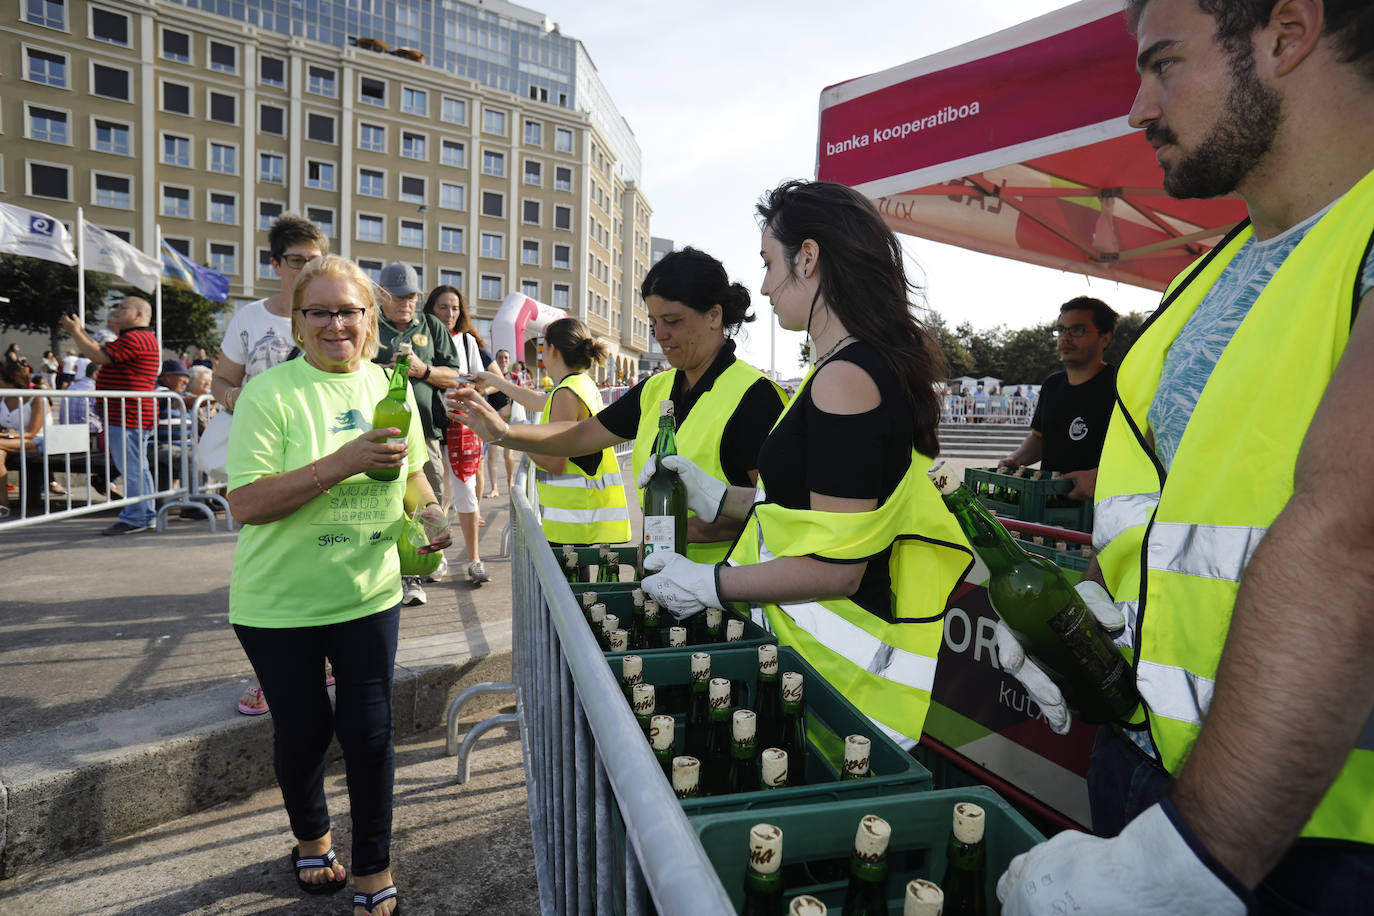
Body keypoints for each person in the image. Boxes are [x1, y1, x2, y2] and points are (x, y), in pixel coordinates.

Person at [995, 2, 1374, 914]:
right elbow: (1183, 520)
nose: (1137, 106)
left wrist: (1188, 858)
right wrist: (1099, 619)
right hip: (1150, 775)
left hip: (1299, 841)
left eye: (1164, 65)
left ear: (1287, 32)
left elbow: (1352, 535)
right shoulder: (1206, 277)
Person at [631, 181, 974, 750]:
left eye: (769, 263)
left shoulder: (847, 378)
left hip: (843, 691)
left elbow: (838, 568)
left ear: (807, 258)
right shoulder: (844, 368)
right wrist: (715, 494)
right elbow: (811, 511)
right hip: (818, 676)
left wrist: (710, 583)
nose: (763, 286)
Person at [226, 255, 447, 916]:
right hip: (279, 603)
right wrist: (343, 462)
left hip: (369, 593)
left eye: (348, 311)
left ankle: (374, 867)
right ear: (297, 321)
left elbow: (410, 473)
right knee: (304, 732)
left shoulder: (393, 386)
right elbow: (246, 504)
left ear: (370, 319)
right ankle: (312, 837)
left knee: (371, 734)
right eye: (318, 311)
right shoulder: (270, 393)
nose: (334, 323)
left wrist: (430, 513)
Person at [450, 246, 786, 562]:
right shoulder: (657, 387)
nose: (659, 334)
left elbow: (779, 508)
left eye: (672, 321)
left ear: (714, 316)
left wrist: (684, 532)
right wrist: (502, 432)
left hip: (732, 603)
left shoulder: (756, 396)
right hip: (666, 584)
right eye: (654, 321)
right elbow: (581, 435)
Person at [488, 317, 630, 545]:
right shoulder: (579, 384)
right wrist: (495, 381)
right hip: (580, 516)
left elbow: (556, 463)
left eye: (543, 347)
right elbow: (537, 400)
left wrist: (515, 437)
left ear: (552, 349)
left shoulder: (566, 393)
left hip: (572, 521)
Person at [374, 263, 467, 599]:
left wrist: (423, 370)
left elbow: (454, 376)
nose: (406, 303)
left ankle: (423, 564)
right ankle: (400, 573)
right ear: (381, 294)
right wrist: (379, 373)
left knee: (430, 497)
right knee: (389, 501)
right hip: (377, 432)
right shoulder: (369, 325)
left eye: (411, 297)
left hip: (424, 431)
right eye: (398, 297)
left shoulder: (430, 326)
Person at [211, 214, 328, 429]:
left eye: (314, 261)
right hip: (261, 434)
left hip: (316, 435)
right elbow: (221, 381)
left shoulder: (338, 319)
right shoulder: (249, 318)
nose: (307, 269)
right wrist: (236, 397)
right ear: (275, 264)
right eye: (296, 261)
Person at [998, 297, 1118, 499]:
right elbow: (1039, 438)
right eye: (1061, 329)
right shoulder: (1052, 385)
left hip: (1100, 512)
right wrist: (1015, 458)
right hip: (1049, 507)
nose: (1065, 337)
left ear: (1105, 338)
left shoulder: (1121, 387)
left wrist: (1102, 477)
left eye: (1077, 330)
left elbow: (1144, 452)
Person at [59, 298, 160, 535]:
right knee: (138, 467)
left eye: (123, 308)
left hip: (129, 414)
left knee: (133, 468)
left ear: (138, 315)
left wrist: (76, 332)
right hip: (130, 413)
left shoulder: (136, 338)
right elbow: (101, 352)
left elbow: (100, 356)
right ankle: (143, 514)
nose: (115, 310)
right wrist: (80, 331)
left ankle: (138, 517)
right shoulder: (138, 337)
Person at [420, 284, 490, 585]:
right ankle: (437, 557)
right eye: (443, 307)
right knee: (430, 494)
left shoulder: (467, 343)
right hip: (427, 424)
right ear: (430, 310)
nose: (449, 314)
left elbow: (482, 381)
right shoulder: (421, 338)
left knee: (465, 489)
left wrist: (466, 389)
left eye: (455, 308)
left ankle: (474, 559)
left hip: (460, 423)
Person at [0, 358, 45, 517]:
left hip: (36, 441)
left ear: (9, 381)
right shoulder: (2, 397)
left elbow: (32, 432)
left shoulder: (36, 398)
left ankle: (3, 505)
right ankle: (3, 504)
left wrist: (6, 434)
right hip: (8, 441)